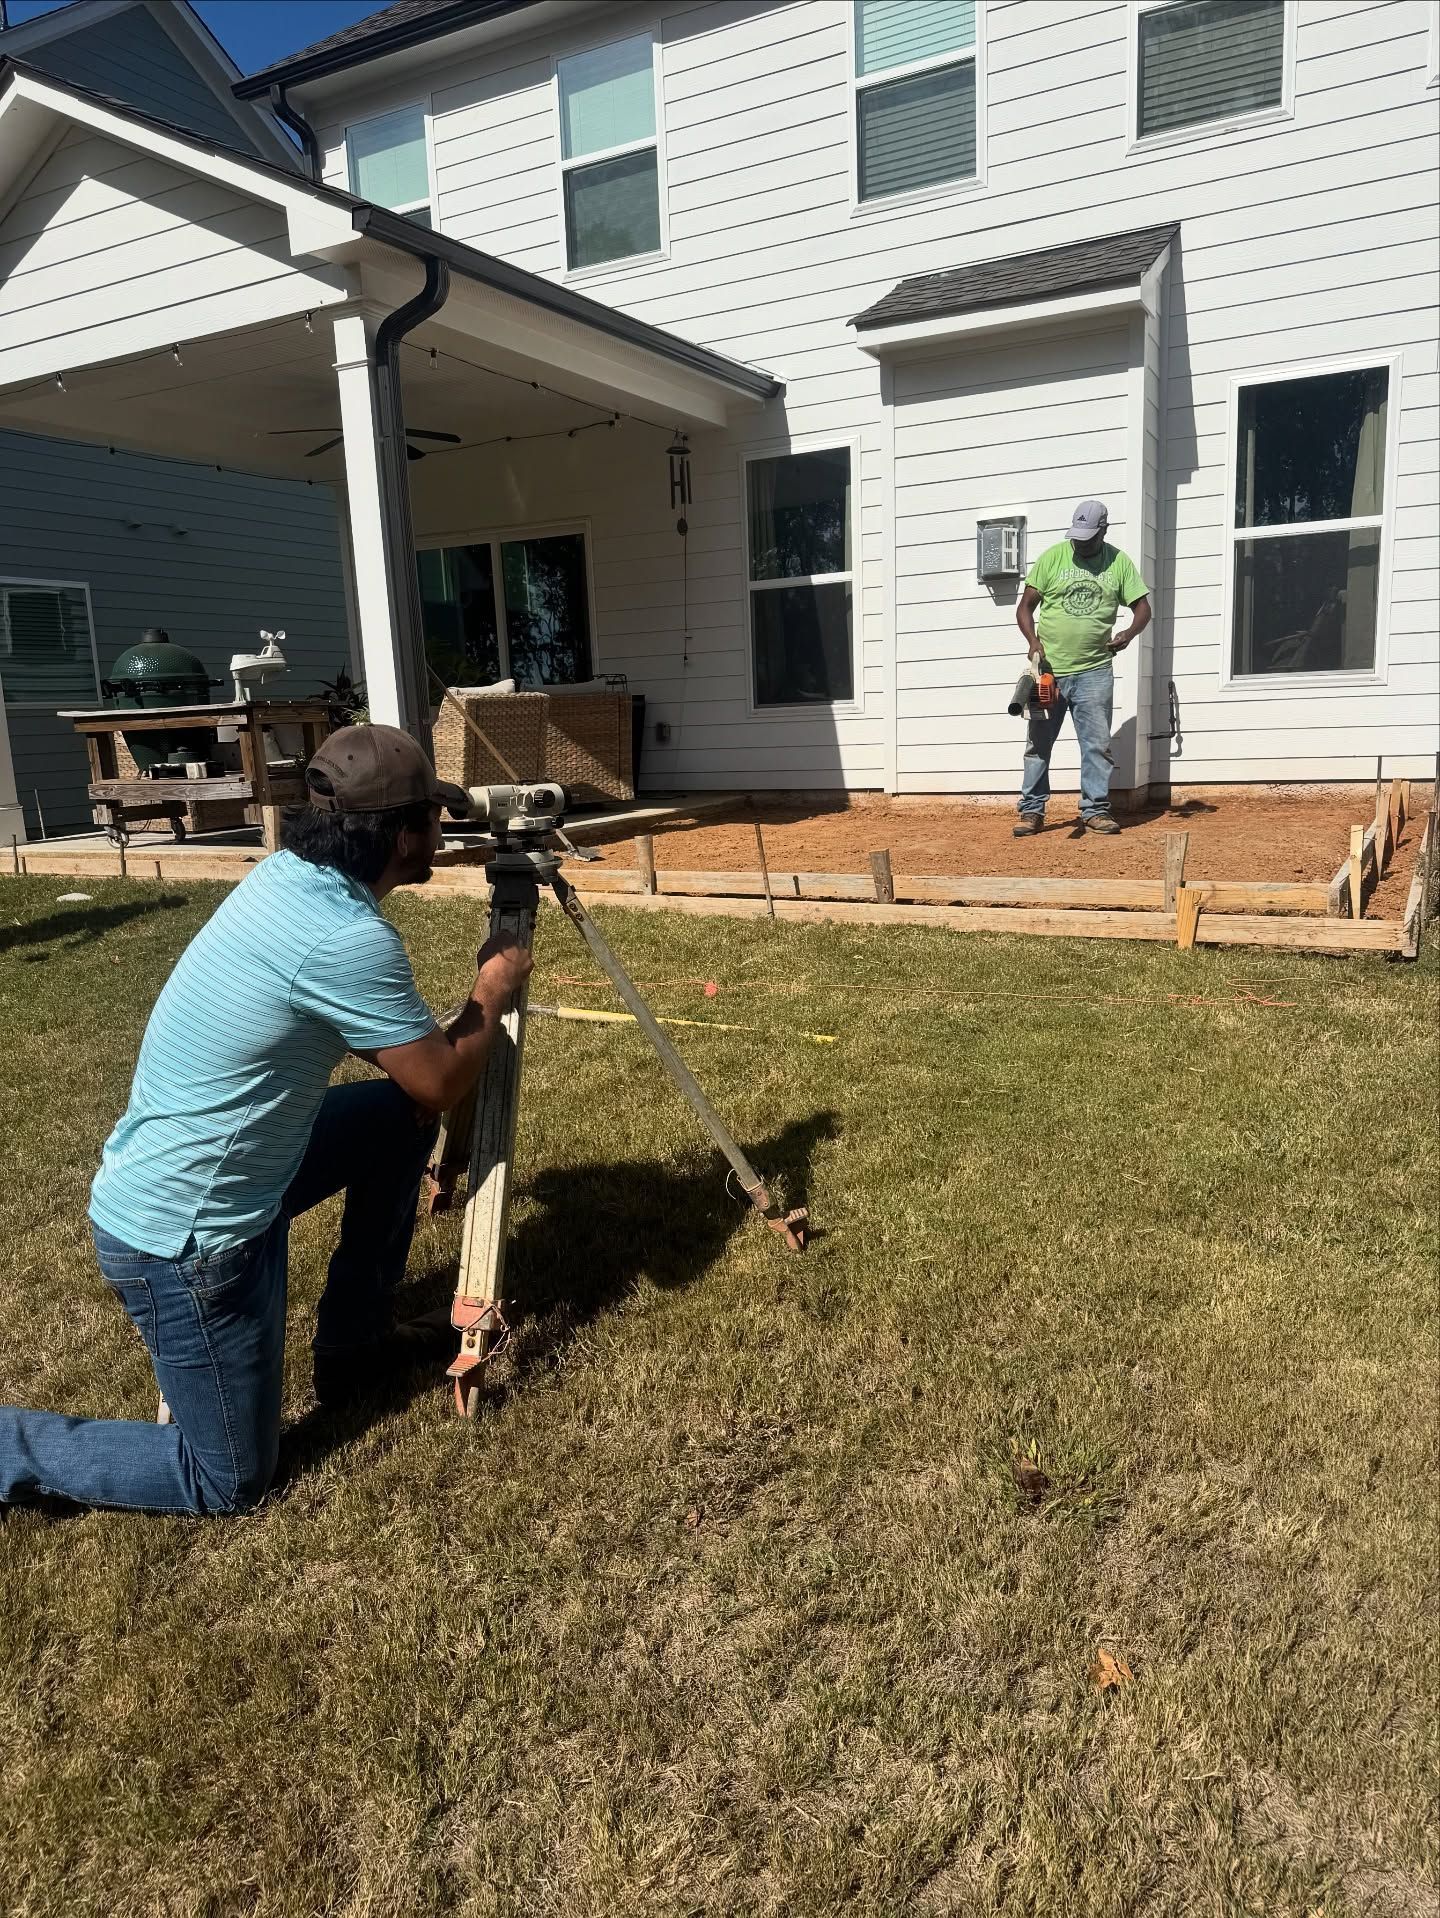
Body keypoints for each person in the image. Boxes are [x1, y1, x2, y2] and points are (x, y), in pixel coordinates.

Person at [0, 725, 532, 1517]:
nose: (442, 834)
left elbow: (411, 1087)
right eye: (432, 818)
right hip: (186, 1241)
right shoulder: (343, 938)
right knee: (229, 1480)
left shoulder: (286, 877)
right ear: (402, 834)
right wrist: (493, 983)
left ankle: (352, 1350)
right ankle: (11, 1446)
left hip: (189, 1180)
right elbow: (445, 1076)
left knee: (398, 1116)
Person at [1014, 500, 1151, 835]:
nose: (1081, 543)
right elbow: (1024, 608)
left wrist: (1129, 634)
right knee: (1038, 745)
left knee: (1096, 745)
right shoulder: (1052, 558)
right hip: (1048, 672)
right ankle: (1031, 811)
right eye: (1077, 536)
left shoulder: (1118, 563)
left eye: (1089, 537)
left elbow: (1143, 609)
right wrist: (1033, 641)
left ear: (1103, 531)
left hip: (1094, 672)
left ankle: (1095, 810)